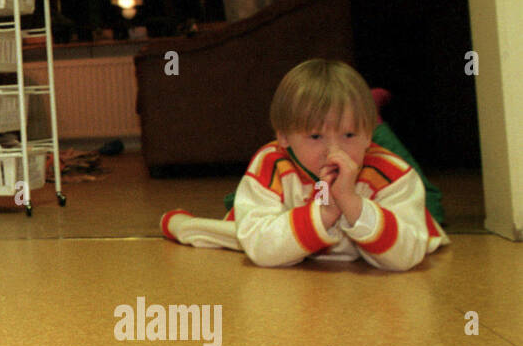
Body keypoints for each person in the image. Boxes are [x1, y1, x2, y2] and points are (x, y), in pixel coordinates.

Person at [160, 59, 448, 270]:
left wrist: (350, 201)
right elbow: (260, 249)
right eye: (315, 136)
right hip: (288, 224)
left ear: (370, 134)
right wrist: (323, 212)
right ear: (284, 137)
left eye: (349, 134)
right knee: (235, 233)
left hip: (366, 243)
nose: (333, 150)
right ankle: (182, 223)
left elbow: (406, 257)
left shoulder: (391, 173)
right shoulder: (272, 163)